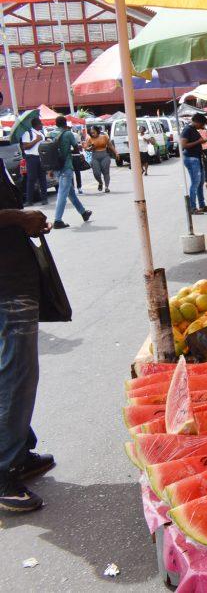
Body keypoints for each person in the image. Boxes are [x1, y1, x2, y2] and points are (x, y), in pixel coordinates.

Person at [0, 165, 54, 511]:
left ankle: (17, 451)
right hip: (6, 284)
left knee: (16, 372)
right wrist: (21, 218)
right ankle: (3, 473)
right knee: (16, 375)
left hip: (14, 275)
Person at [50, 116, 91, 229]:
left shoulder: (52, 134)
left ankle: (83, 213)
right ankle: (57, 220)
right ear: (65, 123)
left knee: (70, 192)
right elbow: (76, 148)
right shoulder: (68, 134)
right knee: (63, 193)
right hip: (66, 166)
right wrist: (69, 150)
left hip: (56, 166)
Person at [180, 114, 207, 214]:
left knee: (200, 183)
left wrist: (201, 142)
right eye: (201, 124)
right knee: (195, 183)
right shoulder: (187, 130)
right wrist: (198, 141)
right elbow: (183, 145)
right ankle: (193, 207)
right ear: (197, 122)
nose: (202, 127)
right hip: (191, 158)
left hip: (196, 157)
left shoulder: (193, 130)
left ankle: (202, 205)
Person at [20, 118, 47, 206]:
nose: (42, 125)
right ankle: (29, 200)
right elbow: (25, 147)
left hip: (41, 157)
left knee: (42, 179)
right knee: (31, 179)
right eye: (40, 123)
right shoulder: (28, 133)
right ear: (36, 124)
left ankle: (44, 199)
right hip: (31, 158)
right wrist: (36, 140)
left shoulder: (41, 133)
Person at [85, 125, 113, 192]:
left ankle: (106, 187)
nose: (93, 134)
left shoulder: (104, 137)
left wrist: (116, 152)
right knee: (96, 173)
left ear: (97, 131)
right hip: (95, 157)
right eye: (91, 133)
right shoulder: (89, 139)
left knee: (106, 172)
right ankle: (100, 182)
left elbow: (110, 145)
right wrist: (90, 148)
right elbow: (86, 148)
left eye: (94, 132)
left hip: (104, 155)